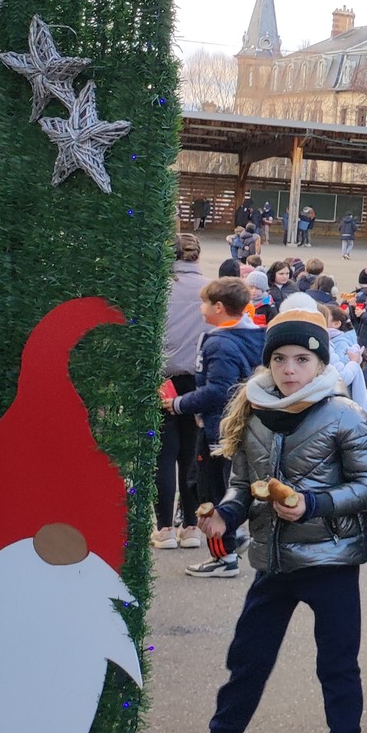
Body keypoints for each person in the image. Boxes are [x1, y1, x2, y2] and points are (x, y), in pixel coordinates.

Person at [151, 308, 367, 733]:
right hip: (272, 561)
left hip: (330, 560)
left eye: (302, 359)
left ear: (320, 362)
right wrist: (226, 516)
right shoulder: (254, 412)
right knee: (247, 657)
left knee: (337, 665)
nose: (289, 369)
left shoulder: (344, 413)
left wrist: (314, 504)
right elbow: (244, 484)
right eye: (279, 358)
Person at [172, 277, 268, 579]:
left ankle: (223, 555)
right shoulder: (255, 336)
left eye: (204, 303)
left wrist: (179, 404)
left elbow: (218, 391)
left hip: (219, 428)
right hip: (236, 426)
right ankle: (231, 537)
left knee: (208, 490)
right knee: (203, 484)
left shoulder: (219, 343)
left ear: (219, 307)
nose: (200, 309)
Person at [155, 233, 210, 552]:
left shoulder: (158, 286)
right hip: (199, 378)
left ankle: (164, 528)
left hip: (163, 377)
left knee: (163, 454)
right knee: (192, 454)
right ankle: (191, 526)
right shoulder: (210, 288)